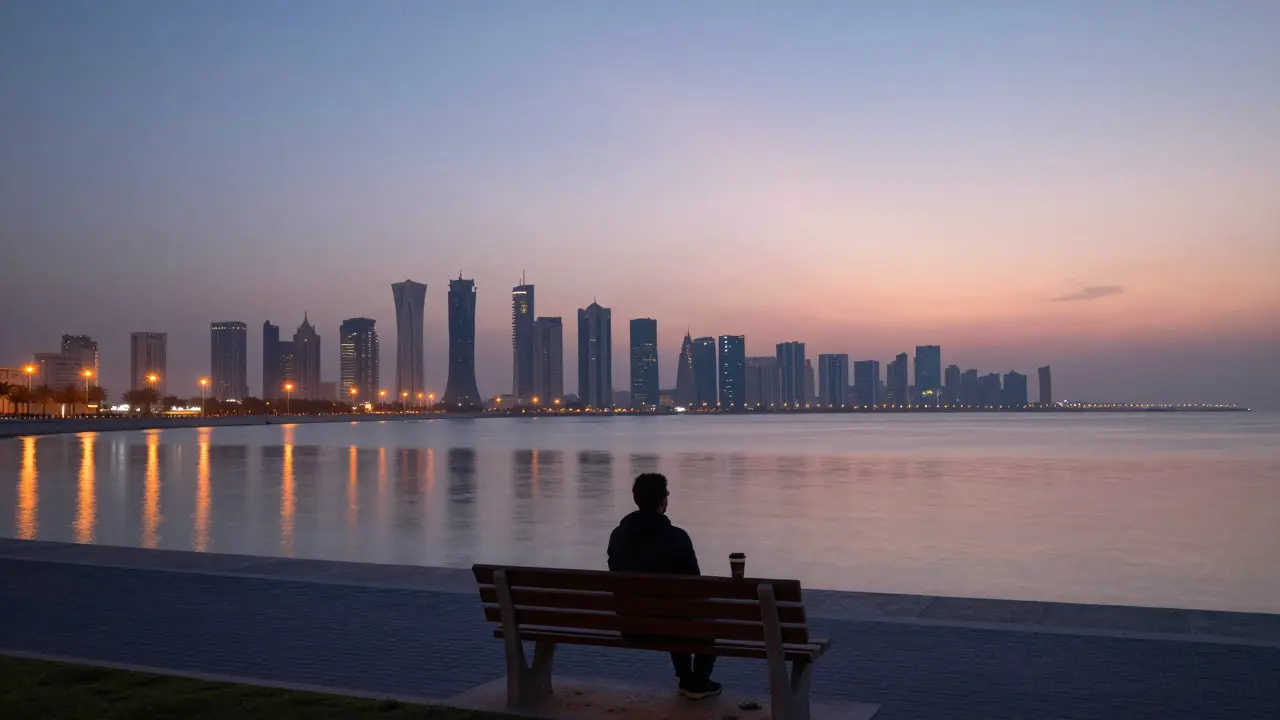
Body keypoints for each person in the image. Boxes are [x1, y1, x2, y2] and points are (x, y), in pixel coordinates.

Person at [607, 472, 722, 700]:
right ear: (663, 500)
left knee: (674, 612)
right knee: (694, 615)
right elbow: (694, 585)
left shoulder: (618, 535)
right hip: (670, 623)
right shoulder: (677, 538)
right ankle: (697, 681)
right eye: (666, 494)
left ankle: (685, 678)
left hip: (629, 623)